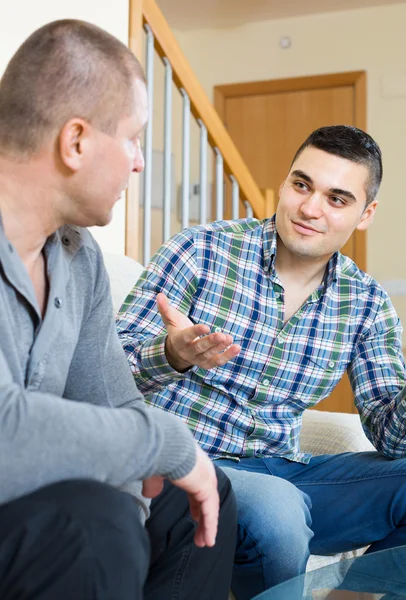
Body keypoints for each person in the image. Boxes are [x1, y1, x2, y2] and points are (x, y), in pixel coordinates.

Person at [116, 125, 406, 600]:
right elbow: (107, 374)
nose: (311, 209)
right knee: (278, 508)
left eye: (337, 199)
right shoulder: (200, 251)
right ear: (284, 185)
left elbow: (392, 439)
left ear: (366, 214)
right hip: (183, 463)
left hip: (284, 470)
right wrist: (171, 354)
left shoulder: (365, 302)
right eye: (302, 185)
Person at [0, 19, 237, 600]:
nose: (138, 163)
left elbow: (110, 400)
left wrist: (137, 493)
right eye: (132, 139)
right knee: (91, 525)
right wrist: (165, 441)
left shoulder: (79, 259)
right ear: (76, 141)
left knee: (202, 496)